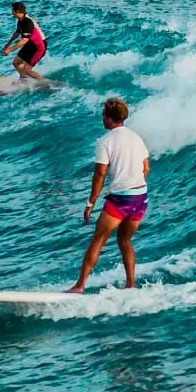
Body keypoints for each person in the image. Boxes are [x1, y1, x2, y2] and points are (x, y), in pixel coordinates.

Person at [68, 97, 150, 292]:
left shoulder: (105, 142)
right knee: (124, 240)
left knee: (98, 239)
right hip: (140, 197)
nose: (102, 118)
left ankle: (79, 286)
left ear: (110, 118)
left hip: (120, 199)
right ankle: (131, 284)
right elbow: (146, 168)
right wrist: (133, 184)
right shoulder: (136, 137)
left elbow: (100, 174)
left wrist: (90, 204)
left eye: (104, 115)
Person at [2, 1, 46, 81]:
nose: (11, 12)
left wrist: (10, 50)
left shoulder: (28, 22)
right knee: (16, 62)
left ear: (17, 11)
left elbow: (24, 40)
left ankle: (45, 83)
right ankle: (23, 80)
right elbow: (18, 32)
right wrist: (9, 42)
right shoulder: (20, 20)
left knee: (27, 70)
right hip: (30, 44)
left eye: (12, 10)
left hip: (39, 46)